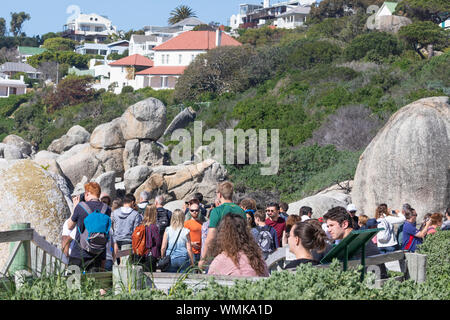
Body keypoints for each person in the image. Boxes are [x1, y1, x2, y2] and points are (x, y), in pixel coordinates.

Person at [323, 206, 388, 278]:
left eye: (331, 225)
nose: (329, 230)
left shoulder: (352, 244)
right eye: (328, 226)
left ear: (344, 224)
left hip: (371, 284)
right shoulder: (360, 238)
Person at [199, 181, 246, 270]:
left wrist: (203, 259)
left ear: (220, 195)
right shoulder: (241, 211)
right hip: (239, 253)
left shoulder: (217, 211)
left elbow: (210, 238)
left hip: (221, 252)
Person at [67, 182, 112, 272]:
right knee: (95, 284)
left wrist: (74, 208)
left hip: (79, 253)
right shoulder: (106, 209)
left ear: (87, 193)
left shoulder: (80, 207)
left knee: (73, 283)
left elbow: (69, 226)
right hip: (98, 254)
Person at [160, 209, 194, 273]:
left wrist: (163, 257)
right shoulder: (186, 231)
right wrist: (192, 262)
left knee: (171, 280)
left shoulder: (168, 230)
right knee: (183, 280)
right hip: (183, 258)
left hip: (171, 258)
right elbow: (189, 248)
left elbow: (163, 247)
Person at [112, 193, 143, 261]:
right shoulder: (135, 214)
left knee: (118, 265)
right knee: (126, 265)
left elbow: (112, 228)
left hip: (116, 241)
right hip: (128, 242)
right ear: (132, 202)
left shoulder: (115, 213)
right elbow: (136, 230)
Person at [134, 204, 162, 272]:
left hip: (141, 253)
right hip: (151, 253)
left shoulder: (141, 225)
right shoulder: (153, 227)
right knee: (150, 276)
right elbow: (158, 242)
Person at [184, 199, 204, 263]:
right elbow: (182, 239)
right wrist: (192, 243)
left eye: (196, 210)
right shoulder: (186, 223)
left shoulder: (202, 223)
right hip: (191, 253)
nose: (194, 212)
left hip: (201, 252)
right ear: (189, 211)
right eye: (192, 210)